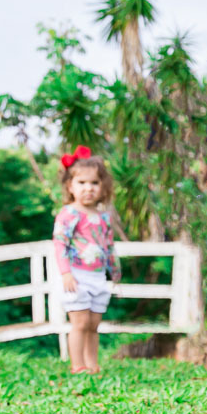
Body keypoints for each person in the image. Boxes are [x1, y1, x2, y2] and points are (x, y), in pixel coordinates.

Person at [53, 145, 121, 374]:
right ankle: (77, 365)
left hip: (98, 276)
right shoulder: (69, 214)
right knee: (80, 323)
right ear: (70, 187)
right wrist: (66, 273)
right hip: (76, 275)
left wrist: (114, 270)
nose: (88, 189)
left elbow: (108, 244)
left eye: (94, 183)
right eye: (81, 183)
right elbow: (60, 243)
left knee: (93, 324)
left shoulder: (103, 216)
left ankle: (93, 365)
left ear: (103, 187)